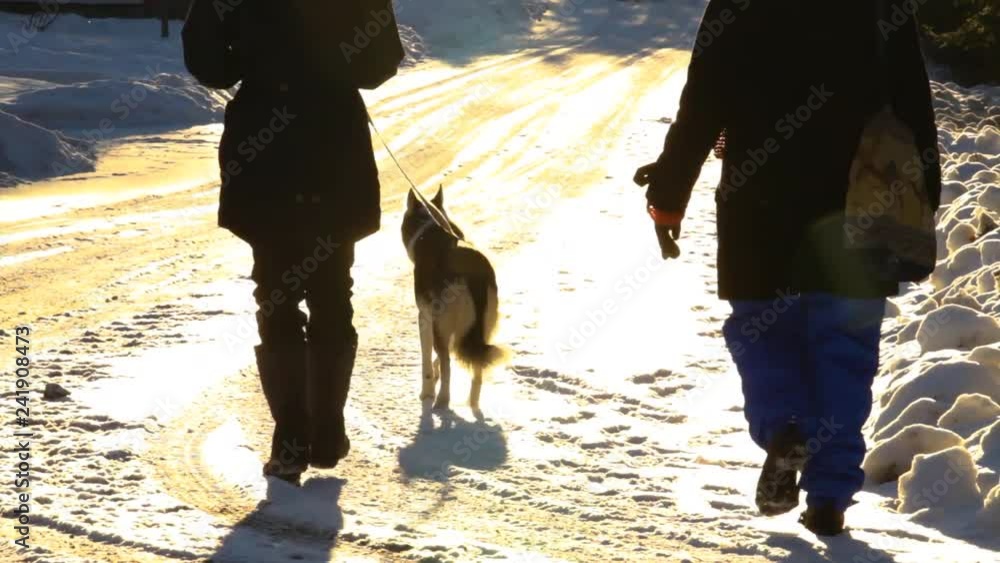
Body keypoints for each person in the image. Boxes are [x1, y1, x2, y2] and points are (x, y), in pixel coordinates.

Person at [635, 0, 940, 535]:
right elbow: (912, 95)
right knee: (844, 347)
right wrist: (924, 191)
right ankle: (829, 495)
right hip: (860, 196)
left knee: (762, 330)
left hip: (759, 198)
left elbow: (705, 97)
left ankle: (784, 428)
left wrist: (670, 190)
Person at [182, 1, 401, 484]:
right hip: (273, 160)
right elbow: (213, 67)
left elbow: (378, 63)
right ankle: (299, 433)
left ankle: (314, 430)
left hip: (322, 158)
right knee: (289, 296)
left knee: (315, 294)